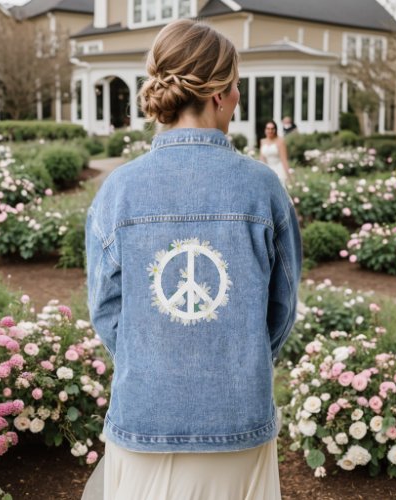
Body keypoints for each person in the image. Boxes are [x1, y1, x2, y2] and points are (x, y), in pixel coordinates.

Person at [84, 19, 301, 500]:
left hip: (144, 415)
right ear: (221, 94)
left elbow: (106, 309)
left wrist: (152, 360)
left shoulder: (118, 190)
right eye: (238, 85)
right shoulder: (262, 187)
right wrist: (238, 356)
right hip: (237, 417)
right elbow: (282, 309)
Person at [259, 120, 292, 185]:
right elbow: (262, 159)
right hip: (267, 170)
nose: (270, 131)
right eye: (268, 128)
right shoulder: (262, 141)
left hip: (279, 171)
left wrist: (289, 177)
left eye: (272, 129)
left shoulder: (280, 141)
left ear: (275, 130)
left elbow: (284, 160)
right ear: (265, 130)